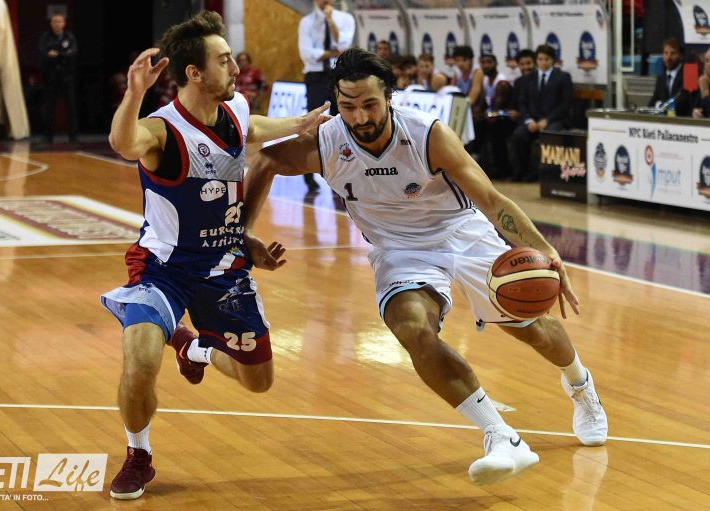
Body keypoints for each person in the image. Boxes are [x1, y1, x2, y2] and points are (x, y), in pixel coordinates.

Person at [243, 48, 607, 486]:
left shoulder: (427, 135)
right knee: (413, 329)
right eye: (348, 106)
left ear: (389, 97)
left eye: (370, 104)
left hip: (461, 231)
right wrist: (244, 231)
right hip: (399, 249)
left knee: (530, 327)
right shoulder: (328, 141)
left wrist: (547, 251)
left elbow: (492, 201)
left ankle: (580, 385)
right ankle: (500, 436)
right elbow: (265, 159)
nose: (359, 117)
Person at [102, 11, 328, 500]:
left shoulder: (236, 109)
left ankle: (194, 347)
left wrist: (300, 122)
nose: (236, 67)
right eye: (224, 60)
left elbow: (254, 126)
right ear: (195, 74)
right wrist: (134, 93)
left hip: (224, 268)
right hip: (162, 267)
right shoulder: (162, 130)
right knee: (140, 360)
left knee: (258, 380)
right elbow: (124, 142)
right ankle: (138, 453)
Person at [298, 0, 355, 192]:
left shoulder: (345, 19)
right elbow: (307, 54)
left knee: (342, 122)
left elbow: (343, 47)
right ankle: (308, 174)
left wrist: (331, 21)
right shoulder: (307, 22)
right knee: (313, 122)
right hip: (316, 76)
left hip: (338, 73)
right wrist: (332, 52)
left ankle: (342, 173)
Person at [510, 44, 573, 182]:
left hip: (554, 120)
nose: (543, 62)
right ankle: (521, 172)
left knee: (550, 134)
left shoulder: (563, 77)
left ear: (553, 60)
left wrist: (547, 120)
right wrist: (528, 121)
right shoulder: (528, 78)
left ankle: (545, 175)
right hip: (533, 120)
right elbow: (522, 103)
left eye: (546, 59)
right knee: (519, 135)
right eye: (540, 59)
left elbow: (565, 105)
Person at [39, 13, 78, 143]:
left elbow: (72, 54)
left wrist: (57, 54)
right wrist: (63, 54)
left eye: (59, 21)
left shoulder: (69, 37)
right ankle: (48, 136)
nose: (57, 24)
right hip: (51, 78)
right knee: (49, 108)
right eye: (54, 21)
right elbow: (44, 54)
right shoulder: (46, 37)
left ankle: (73, 136)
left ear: (64, 23)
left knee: (71, 107)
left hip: (67, 78)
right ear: (51, 23)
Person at [648, 38, 692, 116]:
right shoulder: (661, 77)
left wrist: (660, 106)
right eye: (666, 53)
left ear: (681, 55)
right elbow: (653, 102)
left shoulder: (689, 74)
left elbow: (682, 103)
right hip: (664, 120)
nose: (668, 57)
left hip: (683, 120)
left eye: (673, 53)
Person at [692, 47, 710, 119]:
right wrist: (696, 113)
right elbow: (698, 107)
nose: (709, 64)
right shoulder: (704, 81)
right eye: (707, 61)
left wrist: (705, 92)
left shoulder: (704, 84)